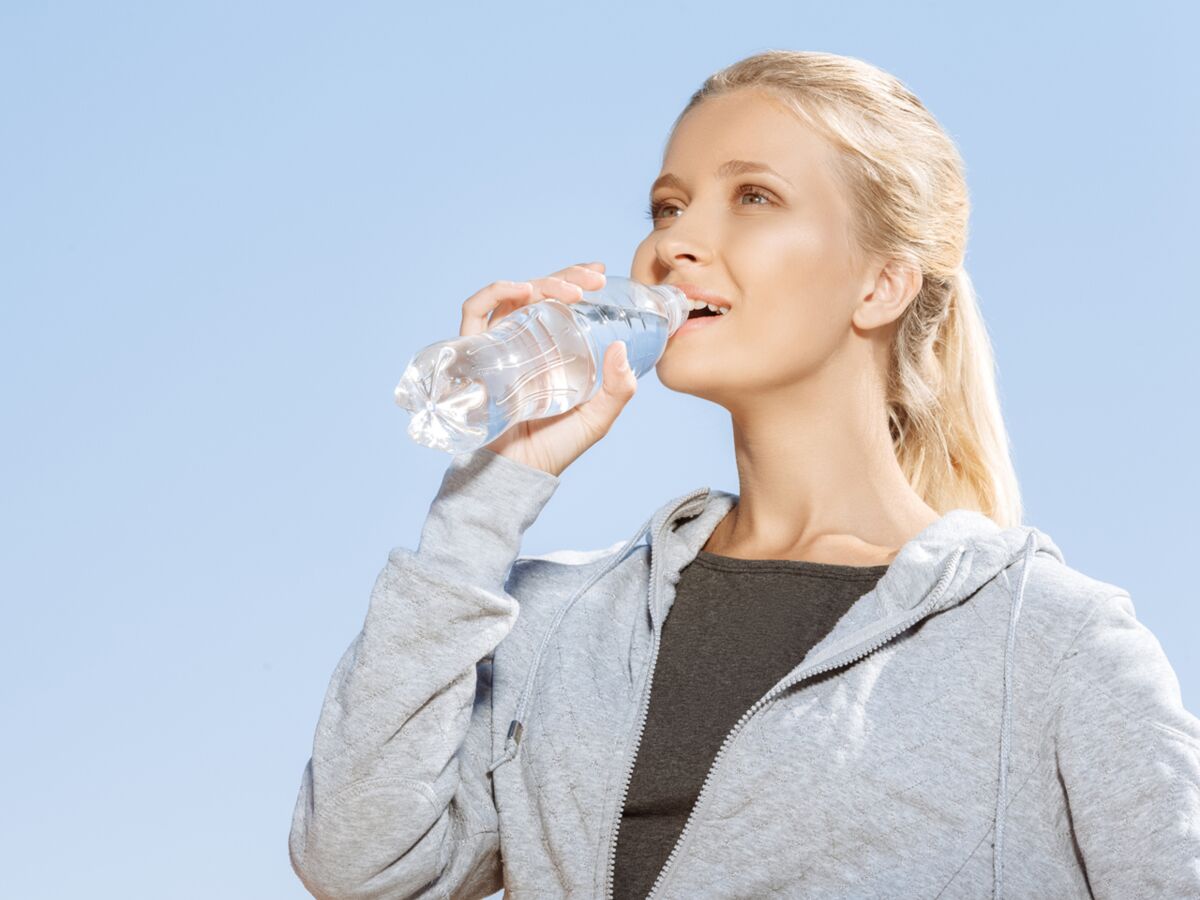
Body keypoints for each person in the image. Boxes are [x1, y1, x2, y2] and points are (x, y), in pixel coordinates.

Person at [288, 50, 1200, 899]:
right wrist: (492, 488)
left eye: (754, 197)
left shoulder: (1042, 639)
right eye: (667, 206)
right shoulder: (558, 620)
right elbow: (358, 864)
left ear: (881, 284)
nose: (674, 244)